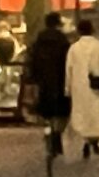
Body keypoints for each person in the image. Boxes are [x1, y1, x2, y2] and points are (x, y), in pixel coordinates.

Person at [26, 12, 72, 158]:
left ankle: (49, 132)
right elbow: (69, 62)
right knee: (61, 112)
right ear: (58, 23)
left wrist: (33, 78)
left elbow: (32, 61)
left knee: (46, 111)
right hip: (60, 81)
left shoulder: (38, 41)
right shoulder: (64, 41)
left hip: (43, 82)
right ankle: (57, 134)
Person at [64, 17, 99, 160]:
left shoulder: (74, 48)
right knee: (96, 116)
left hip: (79, 87)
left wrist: (67, 88)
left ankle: (85, 141)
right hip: (96, 87)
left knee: (82, 116)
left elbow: (68, 70)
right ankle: (94, 141)